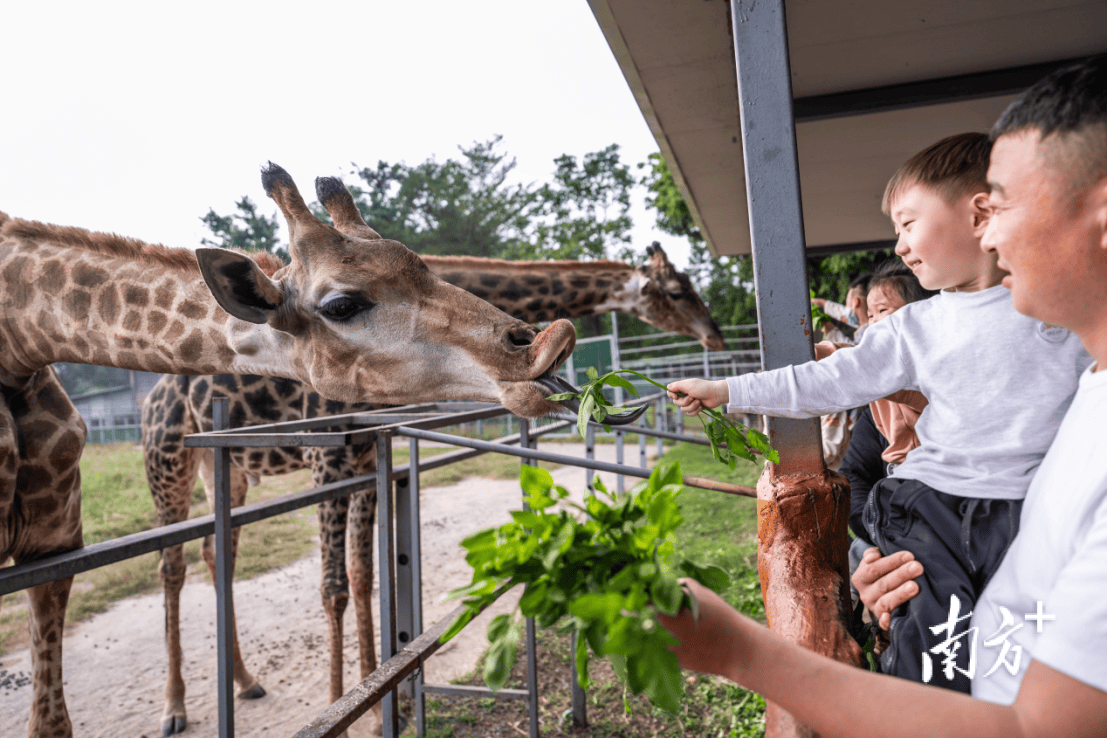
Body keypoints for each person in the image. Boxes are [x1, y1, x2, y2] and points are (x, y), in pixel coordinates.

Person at [660, 54, 1107, 735]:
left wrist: (738, 651)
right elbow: (823, 383)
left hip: (996, 520)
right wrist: (729, 388)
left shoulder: (1069, 365)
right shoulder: (936, 335)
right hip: (934, 510)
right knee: (933, 654)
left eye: (1002, 203)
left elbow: (1034, 724)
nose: (990, 227)